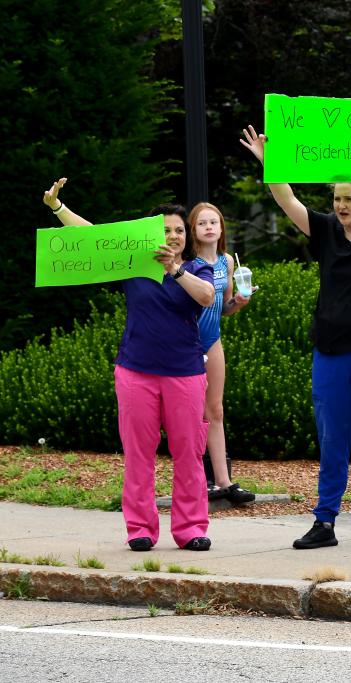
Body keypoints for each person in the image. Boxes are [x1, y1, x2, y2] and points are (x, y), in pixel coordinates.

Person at [239, 125, 351, 550]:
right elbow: (287, 199)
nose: (340, 205)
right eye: (337, 198)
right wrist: (270, 162)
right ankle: (325, 522)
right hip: (330, 351)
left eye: (348, 199)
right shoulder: (323, 229)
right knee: (332, 438)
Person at [42, 179, 215, 551]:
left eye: (179, 230)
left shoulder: (199, 269)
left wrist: (175, 271)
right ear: (152, 233)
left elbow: (206, 297)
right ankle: (140, 529)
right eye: (166, 229)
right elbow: (93, 236)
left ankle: (191, 530)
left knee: (188, 453)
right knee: (139, 455)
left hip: (185, 373)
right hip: (136, 372)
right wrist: (58, 208)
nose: (173, 235)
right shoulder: (134, 262)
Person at [187, 202, 255, 506]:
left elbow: (224, 308)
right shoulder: (187, 262)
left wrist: (239, 303)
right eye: (202, 223)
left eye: (214, 222)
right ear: (194, 230)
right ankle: (194, 479)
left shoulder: (227, 262)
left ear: (221, 228)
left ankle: (224, 482)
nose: (209, 227)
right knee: (188, 415)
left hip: (212, 340)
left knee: (215, 410)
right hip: (185, 344)